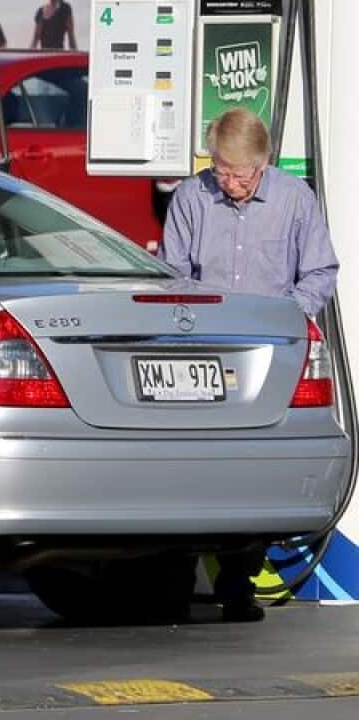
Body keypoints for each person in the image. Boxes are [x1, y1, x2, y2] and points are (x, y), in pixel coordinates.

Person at [161, 107, 339, 623]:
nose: (229, 183)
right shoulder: (191, 197)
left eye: (239, 174)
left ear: (262, 165)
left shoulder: (294, 199)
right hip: (200, 352)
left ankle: (238, 582)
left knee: (255, 468)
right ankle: (178, 580)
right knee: (190, 468)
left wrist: (288, 316)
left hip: (268, 355)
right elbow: (171, 273)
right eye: (221, 170)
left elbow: (321, 271)